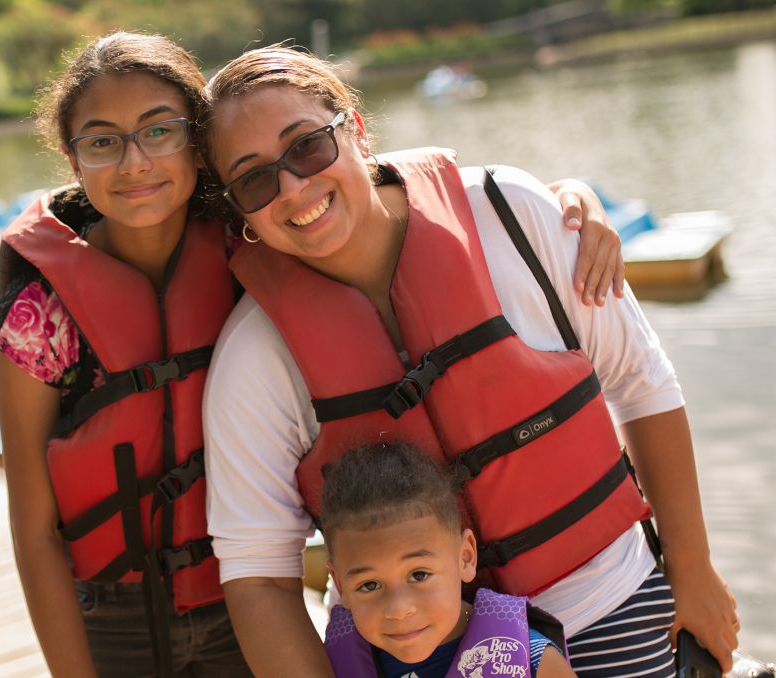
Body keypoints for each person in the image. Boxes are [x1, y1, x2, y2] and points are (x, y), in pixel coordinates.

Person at [0, 32, 623, 677]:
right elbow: (34, 528)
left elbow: (345, 172)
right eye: (101, 142)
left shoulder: (250, 237)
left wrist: (566, 197)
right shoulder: (40, 316)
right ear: (71, 156)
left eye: (160, 131)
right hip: (114, 620)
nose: (134, 162)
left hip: (238, 608)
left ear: (199, 151)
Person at [199, 46, 739, 678]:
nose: (293, 186)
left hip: (613, 604)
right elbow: (257, 572)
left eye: (308, 146)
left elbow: (641, 383)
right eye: (255, 179)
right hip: (422, 657)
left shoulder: (514, 215)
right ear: (238, 209)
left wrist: (693, 569)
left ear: (356, 128)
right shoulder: (255, 358)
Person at [321, 441, 576, 678]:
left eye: (419, 575)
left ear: (465, 558)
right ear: (340, 586)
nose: (399, 609)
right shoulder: (327, 666)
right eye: (369, 585)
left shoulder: (533, 661)